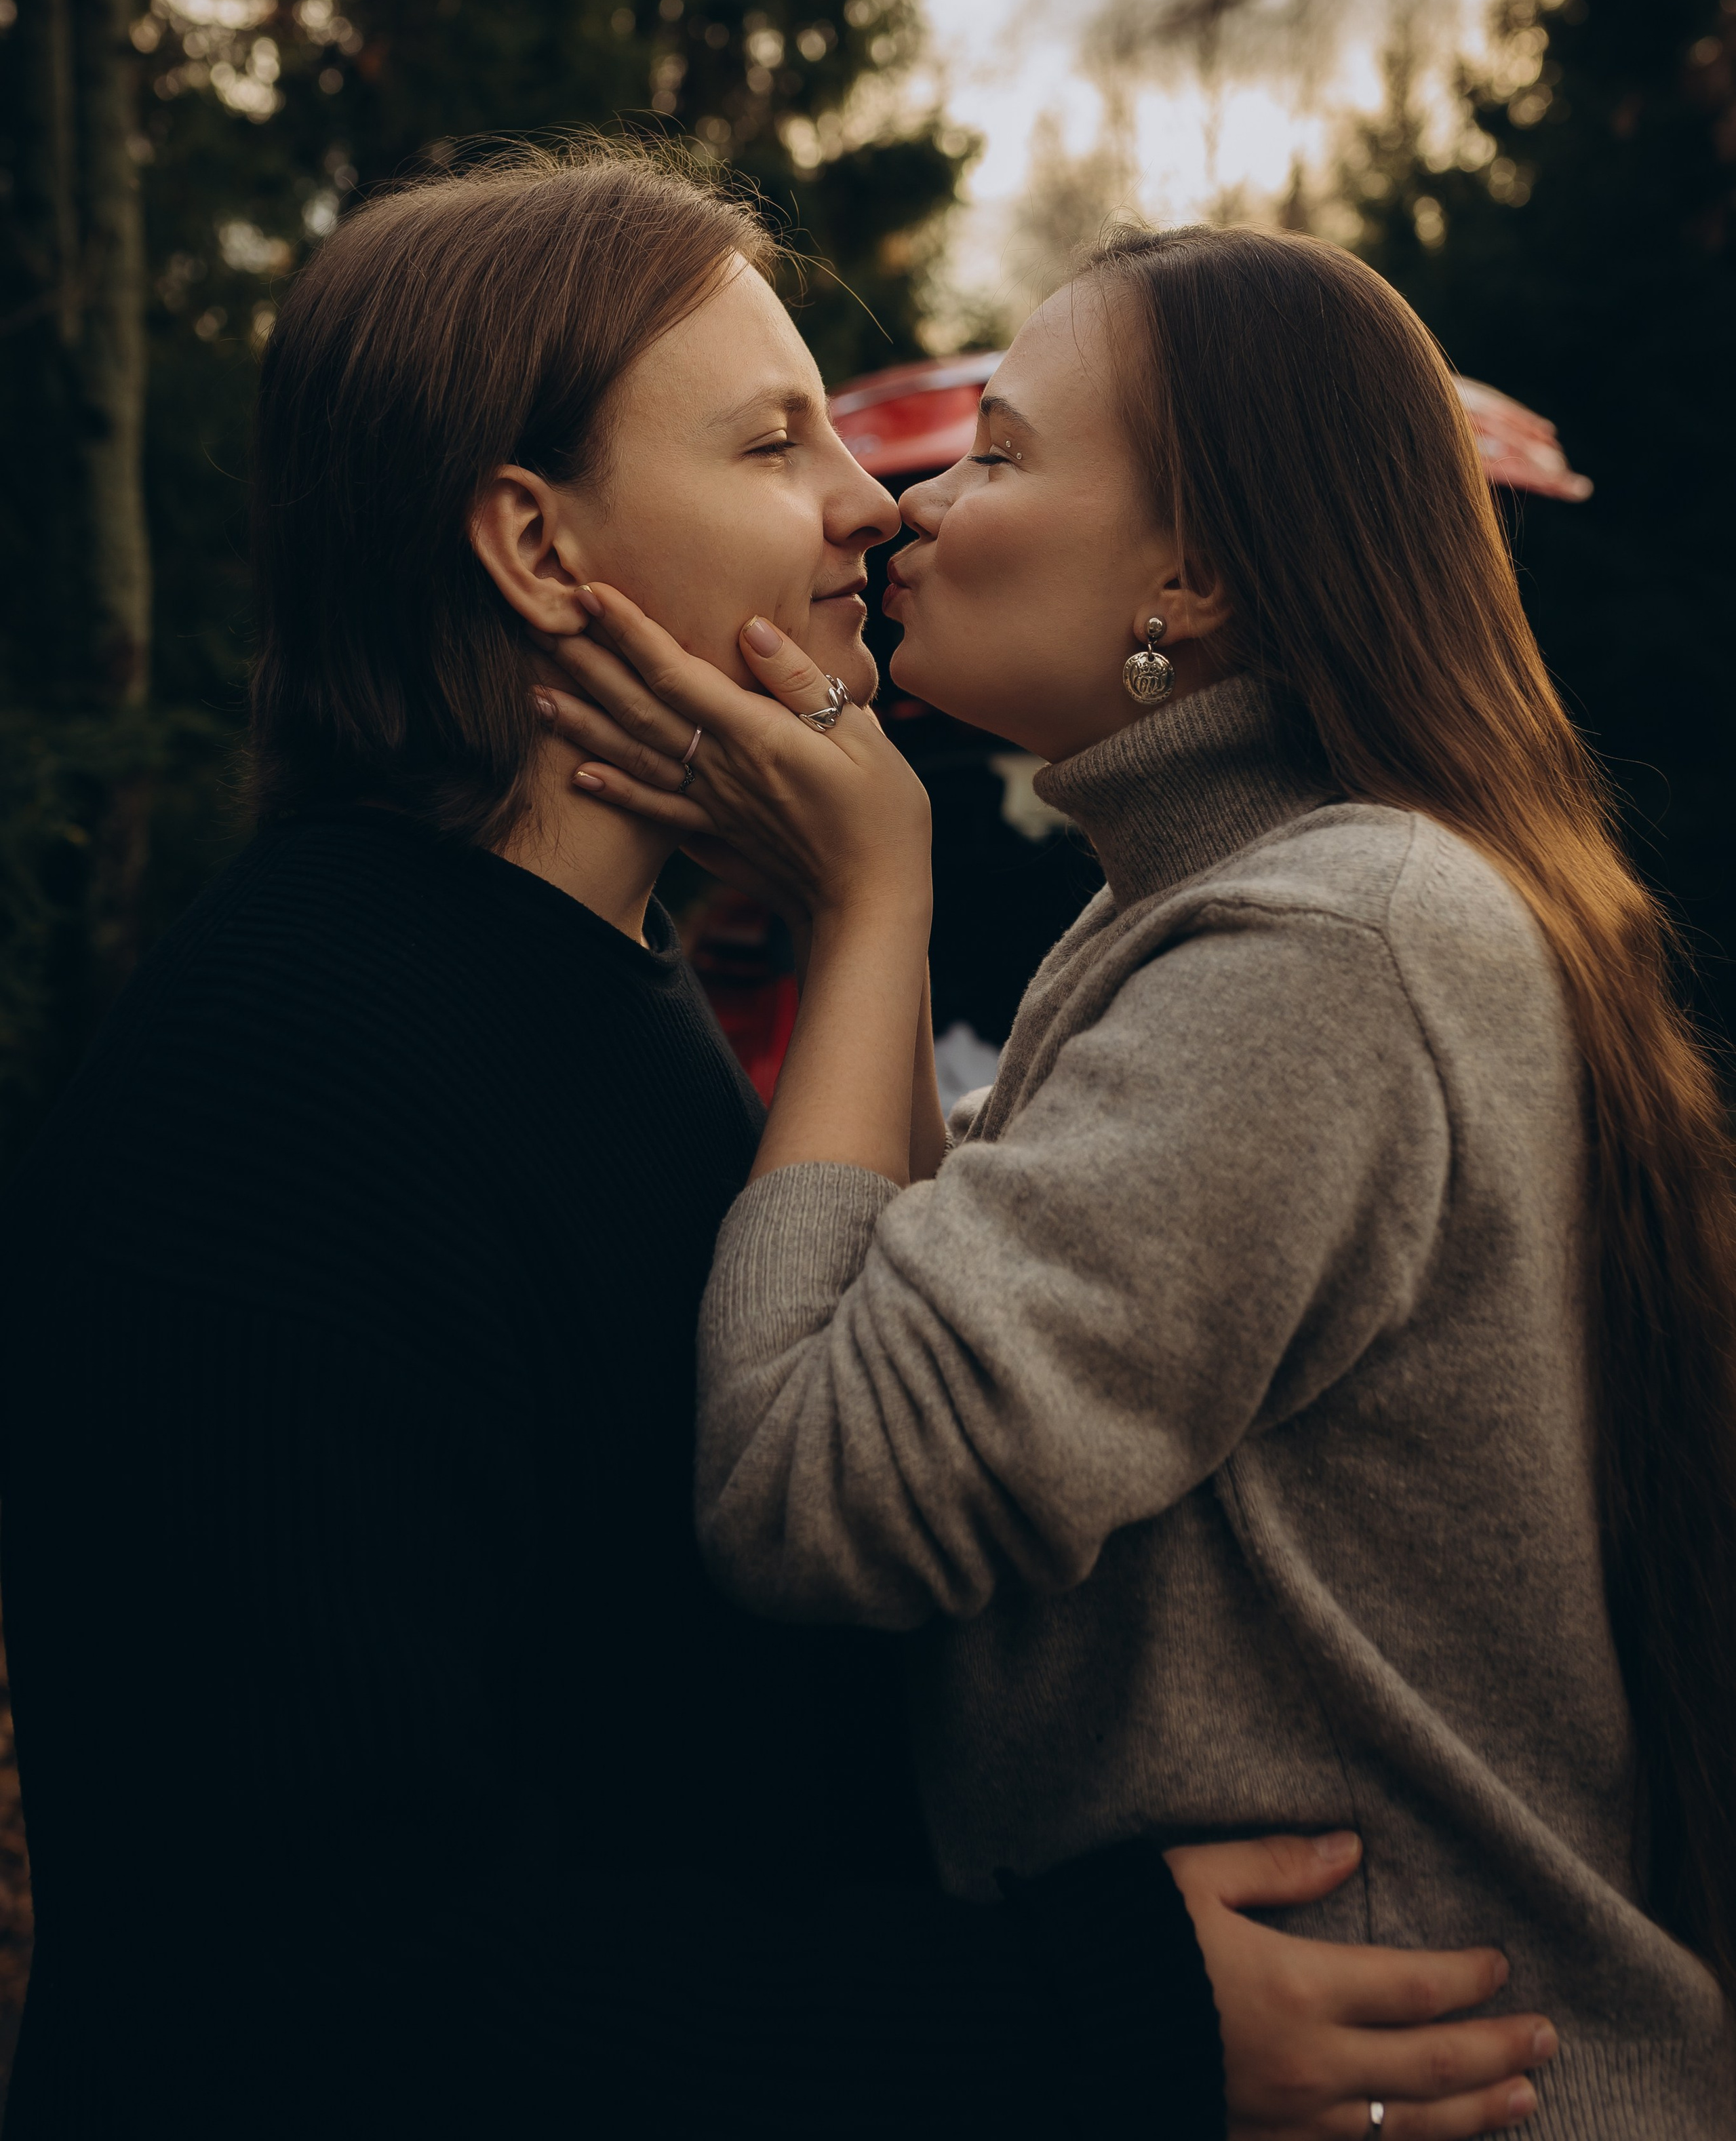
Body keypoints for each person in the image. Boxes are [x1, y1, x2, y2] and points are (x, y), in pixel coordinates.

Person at [0, 157, 1554, 2141]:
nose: (866, 499)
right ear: (537, 545)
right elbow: (315, 1995)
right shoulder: (279, 1105)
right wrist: (1095, 2024)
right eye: (770, 439)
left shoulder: (594, 1002)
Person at [538, 221, 1736, 2138]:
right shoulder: (1206, 908)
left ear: (1196, 572)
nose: (909, 511)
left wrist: (870, 909)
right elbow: (926, 1330)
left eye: (997, 454)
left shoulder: (1336, 940)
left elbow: (816, 1489)